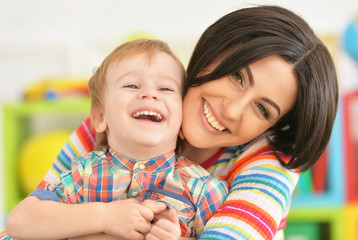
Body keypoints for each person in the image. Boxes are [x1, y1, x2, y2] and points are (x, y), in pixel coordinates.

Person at [3, 5, 339, 240]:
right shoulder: (120, 121)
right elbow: (20, 228)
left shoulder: (266, 161)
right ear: (213, 49)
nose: (233, 110)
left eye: (262, 110)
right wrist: (102, 222)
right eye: (237, 76)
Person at [4, 39, 228, 240]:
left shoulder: (202, 190)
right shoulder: (84, 174)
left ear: (182, 122)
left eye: (165, 88)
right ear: (101, 117)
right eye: (132, 85)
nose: (150, 94)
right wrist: (105, 217)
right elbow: (18, 222)